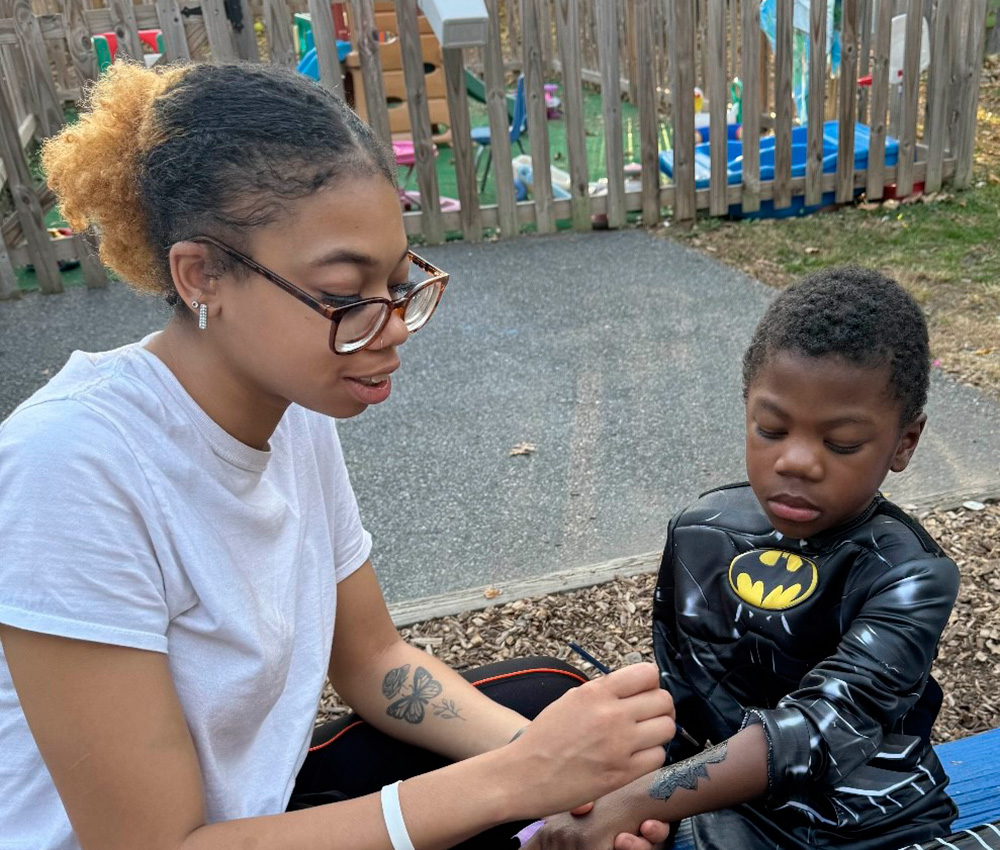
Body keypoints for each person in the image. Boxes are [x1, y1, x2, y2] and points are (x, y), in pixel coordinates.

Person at [0, 62, 677, 850]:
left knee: (548, 704)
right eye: (346, 294)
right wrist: (518, 782)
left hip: (261, 810)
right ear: (201, 275)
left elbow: (373, 660)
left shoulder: (293, 409)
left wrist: (567, 779)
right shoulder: (69, 468)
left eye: (396, 285)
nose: (388, 328)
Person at [525, 267, 960, 849]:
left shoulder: (910, 575)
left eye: (842, 444)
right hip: (730, 813)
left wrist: (633, 802)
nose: (798, 461)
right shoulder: (701, 532)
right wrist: (616, 800)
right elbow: (680, 690)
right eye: (771, 429)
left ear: (903, 442)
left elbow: (818, 730)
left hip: (873, 828)